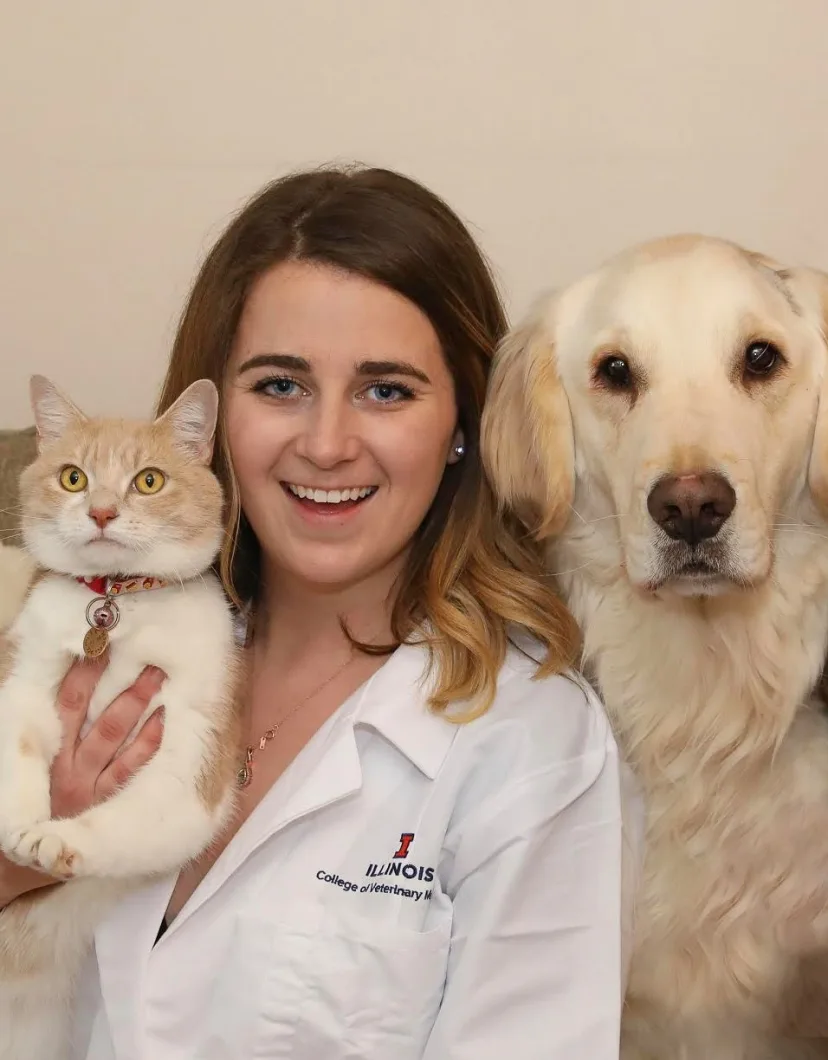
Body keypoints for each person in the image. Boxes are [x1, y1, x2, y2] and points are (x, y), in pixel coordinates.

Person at [0, 165, 642, 1058]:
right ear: (213, 416)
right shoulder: (84, 646)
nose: (328, 444)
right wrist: (20, 862)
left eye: (386, 390)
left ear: (463, 420)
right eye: (279, 386)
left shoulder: (528, 741)